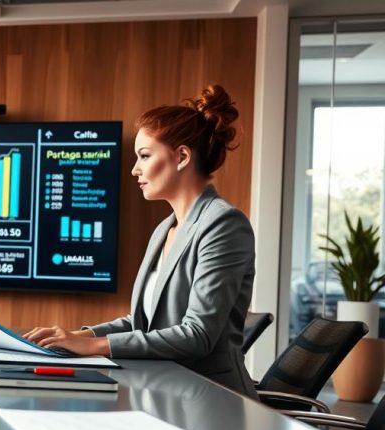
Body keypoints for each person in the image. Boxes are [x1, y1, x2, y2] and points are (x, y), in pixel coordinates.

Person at [24, 85, 257, 398]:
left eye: (145, 156)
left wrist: (95, 346)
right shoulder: (165, 228)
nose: (135, 170)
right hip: (164, 389)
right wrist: (80, 335)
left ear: (182, 156)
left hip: (210, 396)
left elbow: (197, 335)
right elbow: (143, 322)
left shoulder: (223, 224)